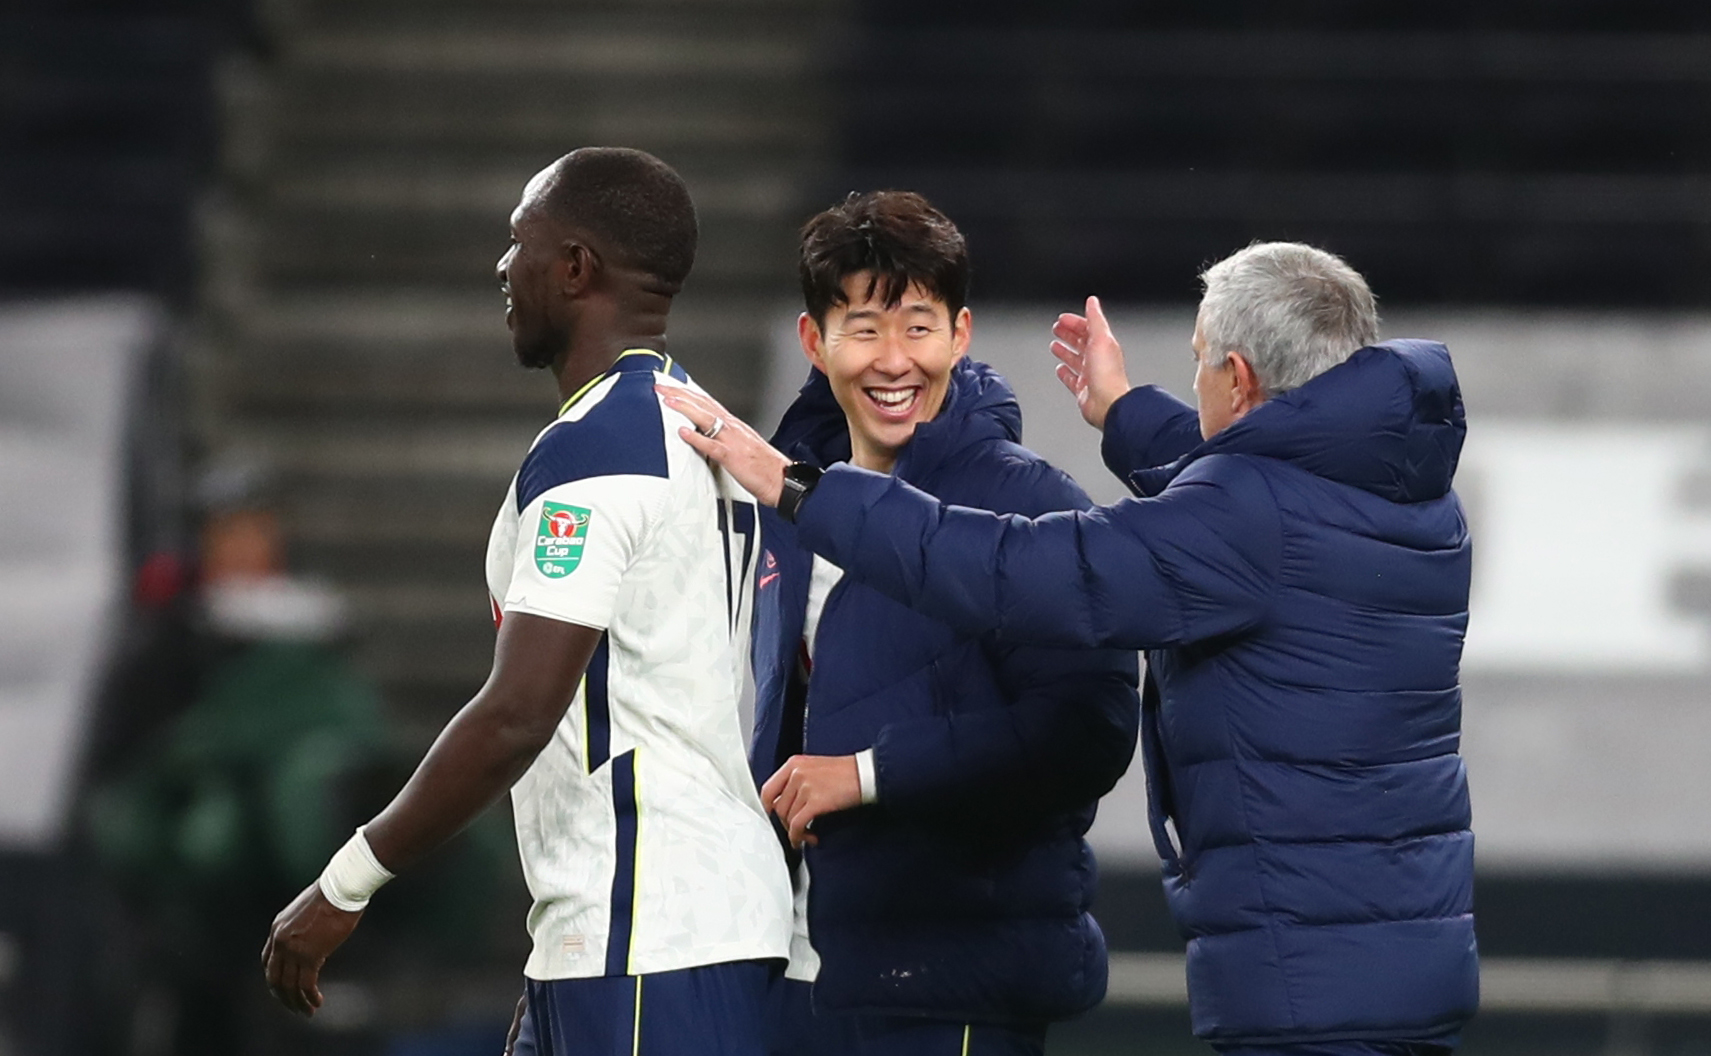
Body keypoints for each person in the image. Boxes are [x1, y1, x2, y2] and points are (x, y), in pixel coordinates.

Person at [662, 242, 1478, 1055]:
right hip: (1396, 949)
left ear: (1237, 377)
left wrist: (799, 489)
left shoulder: (1247, 516)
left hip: (1314, 975)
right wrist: (1123, 410)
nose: (1194, 381)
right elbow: (1235, 491)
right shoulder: (1398, 488)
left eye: (1198, 361)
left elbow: (1021, 570)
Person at [262, 147, 793, 1056]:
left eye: (520, 242)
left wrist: (345, 883)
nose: (504, 267)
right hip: (664, 929)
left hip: (646, 934)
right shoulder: (698, 419)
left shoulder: (596, 448)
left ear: (575, 267)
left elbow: (517, 713)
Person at [749, 191, 1139, 1056]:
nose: (894, 361)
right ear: (813, 342)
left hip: (954, 985)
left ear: (960, 335)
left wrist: (869, 774)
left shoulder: (1030, 502)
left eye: (918, 327)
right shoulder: (785, 510)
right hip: (795, 973)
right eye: (863, 329)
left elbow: (1088, 730)